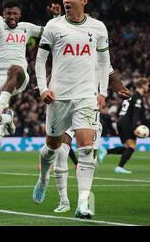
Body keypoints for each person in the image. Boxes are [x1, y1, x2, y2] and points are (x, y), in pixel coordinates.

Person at [34, 0, 111, 219]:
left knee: (86, 149)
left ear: (84, 0)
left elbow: (103, 62)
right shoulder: (53, 26)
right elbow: (39, 61)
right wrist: (43, 88)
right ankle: (43, 176)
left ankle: (83, 203)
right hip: (58, 97)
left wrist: (103, 92)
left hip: (85, 96)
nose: (66, 0)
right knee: (52, 148)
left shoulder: (98, 27)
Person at [51, 68, 131, 213]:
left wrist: (120, 89)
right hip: (66, 105)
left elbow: (110, 75)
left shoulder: (98, 53)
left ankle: (83, 203)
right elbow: (58, 66)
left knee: (89, 157)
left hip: (89, 109)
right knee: (62, 151)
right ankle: (63, 200)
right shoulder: (69, 48)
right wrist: (44, 86)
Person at [0, 0, 56, 133]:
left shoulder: (26, 27)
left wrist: (55, 18)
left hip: (19, 76)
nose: (12, 16)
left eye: (15, 13)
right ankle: (7, 119)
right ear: (3, 14)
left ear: (20, 14)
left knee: (15, 68)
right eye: (9, 13)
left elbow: (50, 32)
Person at [105, 78, 149, 174]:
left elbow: (120, 109)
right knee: (132, 146)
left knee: (127, 147)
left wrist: (119, 123)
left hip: (121, 121)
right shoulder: (137, 97)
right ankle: (119, 167)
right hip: (127, 123)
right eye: (147, 85)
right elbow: (136, 115)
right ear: (143, 85)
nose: (148, 87)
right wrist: (134, 128)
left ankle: (106, 151)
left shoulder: (130, 96)